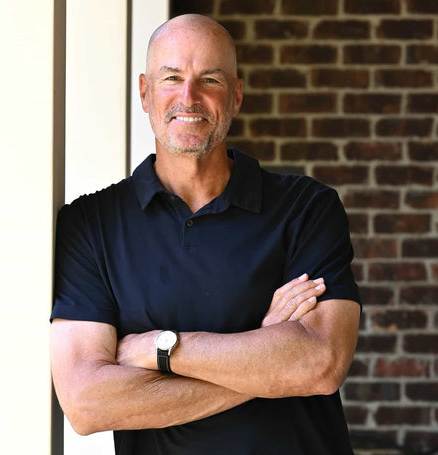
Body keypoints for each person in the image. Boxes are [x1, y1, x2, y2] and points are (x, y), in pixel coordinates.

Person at [50, 13, 361, 455]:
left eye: (209, 80)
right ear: (144, 92)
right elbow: (86, 404)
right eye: (171, 77)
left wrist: (160, 349)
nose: (188, 97)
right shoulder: (90, 224)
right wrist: (264, 354)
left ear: (235, 96)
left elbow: (321, 363)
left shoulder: (307, 208)